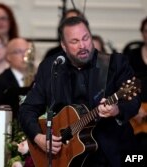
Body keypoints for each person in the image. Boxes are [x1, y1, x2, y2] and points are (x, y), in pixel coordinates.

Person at [19, 16, 141, 167]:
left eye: (86, 38)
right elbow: (27, 109)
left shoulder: (115, 64)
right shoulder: (51, 67)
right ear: (63, 45)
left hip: (112, 153)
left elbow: (133, 101)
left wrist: (116, 110)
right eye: (74, 41)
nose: (83, 45)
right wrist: (38, 137)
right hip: (66, 157)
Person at [0, 38, 31, 117]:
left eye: (27, 51)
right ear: (8, 56)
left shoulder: (38, 79)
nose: (24, 55)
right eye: (18, 52)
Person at [125, 16, 147, 151]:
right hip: (136, 114)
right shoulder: (132, 56)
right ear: (142, 33)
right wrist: (135, 107)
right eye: (146, 31)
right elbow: (124, 84)